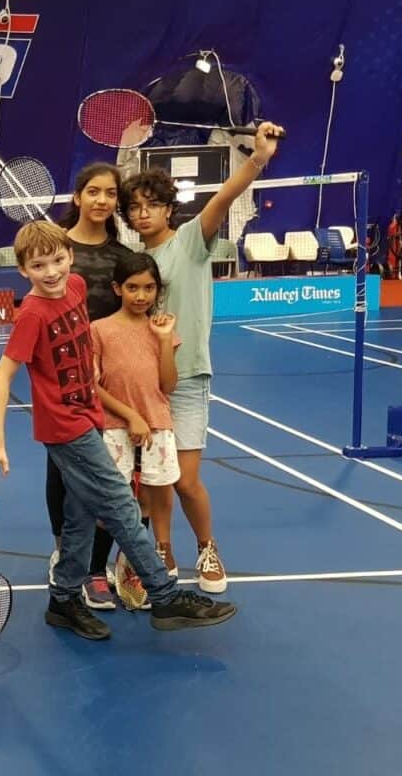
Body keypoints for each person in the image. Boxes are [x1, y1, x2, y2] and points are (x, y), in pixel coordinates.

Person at [0, 219, 236, 642]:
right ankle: (166, 595)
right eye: (39, 265)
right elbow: (3, 377)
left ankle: (63, 600)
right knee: (120, 504)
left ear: (70, 257)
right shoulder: (31, 314)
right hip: (65, 427)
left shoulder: (77, 287)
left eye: (58, 260)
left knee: (80, 516)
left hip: (90, 417)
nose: (52, 272)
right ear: (23, 270)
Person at [123, 121, 284, 593]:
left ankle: (207, 548)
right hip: (144, 383)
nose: (142, 213)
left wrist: (257, 158)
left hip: (188, 377)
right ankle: (163, 548)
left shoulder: (191, 241)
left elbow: (223, 199)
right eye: (134, 208)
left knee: (185, 479)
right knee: (156, 476)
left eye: (151, 205)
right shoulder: (136, 264)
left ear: (169, 209)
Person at [47, 163, 139, 609]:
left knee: (108, 476)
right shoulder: (57, 249)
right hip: (64, 383)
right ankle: (66, 551)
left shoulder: (122, 254)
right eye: (93, 192)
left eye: (110, 193)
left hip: (110, 384)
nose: (102, 200)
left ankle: (95, 567)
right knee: (62, 473)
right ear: (78, 196)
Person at [90, 253, 180, 610]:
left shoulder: (163, 330)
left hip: (157, 428)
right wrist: (130, 416)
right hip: (116, 429)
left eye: (148, 288)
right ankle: (96, 572)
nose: (141, 295)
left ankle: (133, 573)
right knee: (111, 504)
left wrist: (163, 339)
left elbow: (168, 385)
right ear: (117, 288)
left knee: (143, 502)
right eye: (132, 288)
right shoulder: (100, 330)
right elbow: (93, 386)